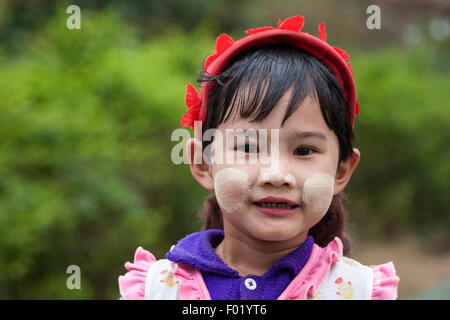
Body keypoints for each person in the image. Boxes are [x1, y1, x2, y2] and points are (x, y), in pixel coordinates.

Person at [118, 15, 399, 300]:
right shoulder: (157, 289)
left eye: (304, 151)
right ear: (203, 163)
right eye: (249, 148)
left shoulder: (360, 291)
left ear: (341, 171)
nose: (276, 175)